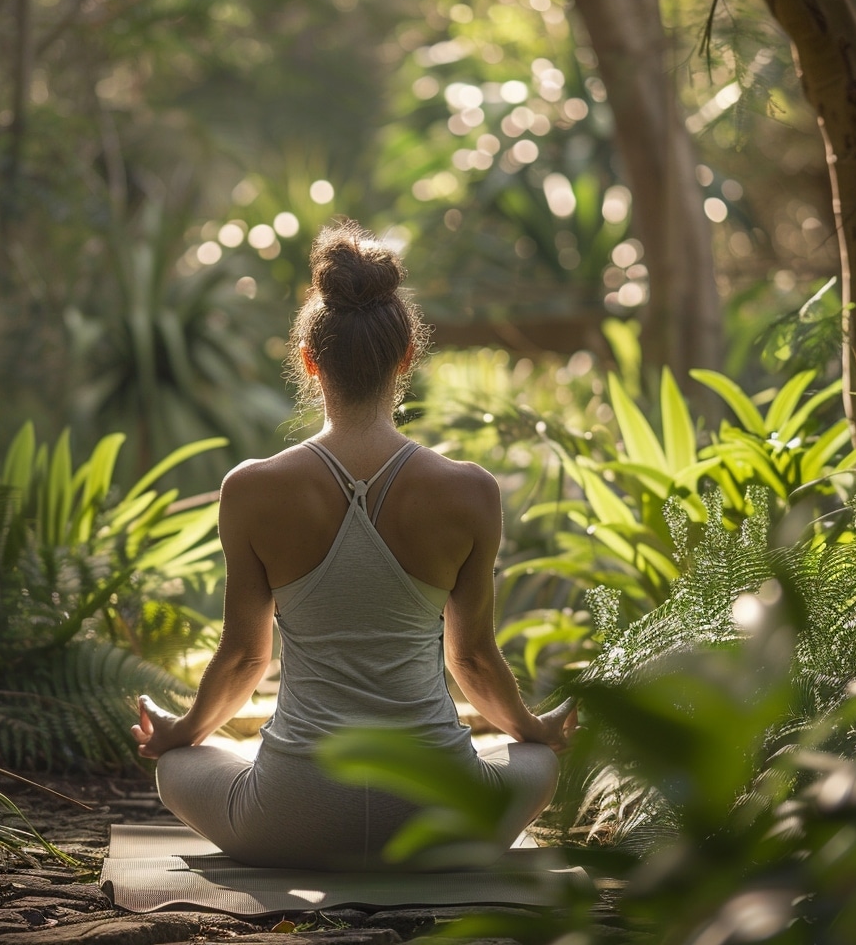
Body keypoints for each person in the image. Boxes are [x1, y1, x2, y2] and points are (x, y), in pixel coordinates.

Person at [131, 219, 577, 871]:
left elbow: (244, 660)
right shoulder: (471, 492)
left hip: (290, 816)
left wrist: (182, 734)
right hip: (440, 815)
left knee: (179, 768)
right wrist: (532, 730)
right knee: (535, 761)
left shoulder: (250, 490)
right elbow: (474, 662)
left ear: (311, 362)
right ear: (406, 359)